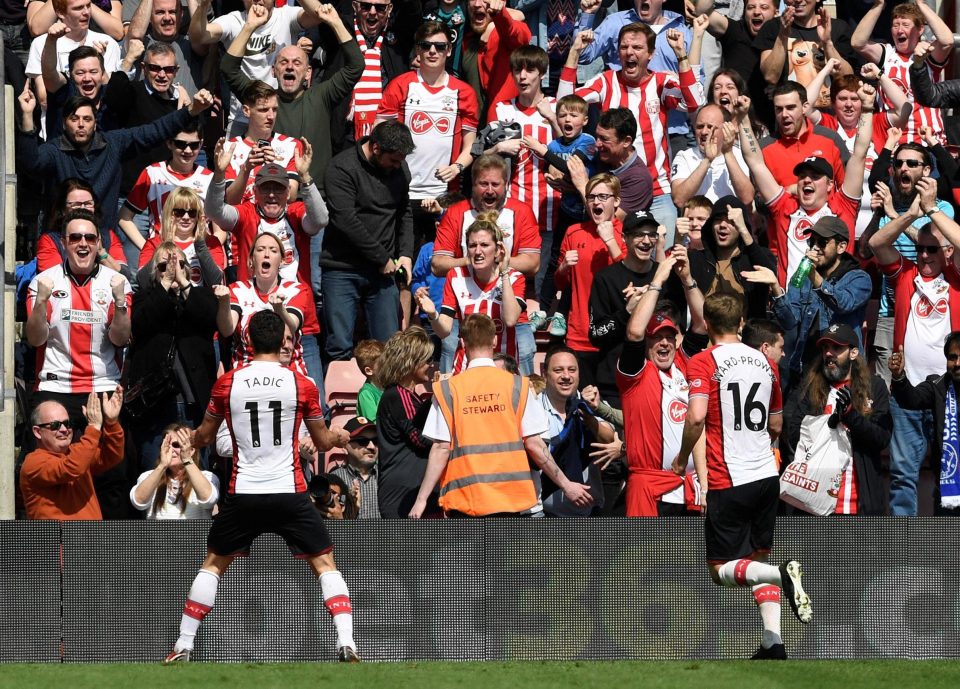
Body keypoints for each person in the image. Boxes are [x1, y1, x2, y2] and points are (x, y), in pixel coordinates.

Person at [163, 310, 355, 664]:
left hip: (244, 491)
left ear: (247, 341)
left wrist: (190, 438)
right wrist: (339, 435)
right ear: (284, 340)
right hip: (289, 490)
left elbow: (204, 437)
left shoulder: (228, 383)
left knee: (213, 565)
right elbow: (322, 441)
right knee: (325, 563)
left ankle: (183, 644)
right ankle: (347, 642)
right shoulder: (302, 383)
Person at [673, 293, 811, 660]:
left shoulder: (703, 361)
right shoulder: (766, 363)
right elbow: (777, 423)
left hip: (727, 476)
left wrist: (682, 458)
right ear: (740, 322)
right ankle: (773, 642)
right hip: (767, 474)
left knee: (720, 569)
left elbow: (697, 416)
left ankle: (783, 575)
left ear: (705, 323)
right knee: (757, 558)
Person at [409, 312, 593, 518]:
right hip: (511, 500)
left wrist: (421, 500)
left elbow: (441, 448)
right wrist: (566, 485)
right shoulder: (519, 386)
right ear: (495, 340)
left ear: (462, 342)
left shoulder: (447, 390)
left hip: (465, 499)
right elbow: (535, 445)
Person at [559, 23, 706, 241]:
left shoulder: (661, 81)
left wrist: (681, 57)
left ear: (651, 54)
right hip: (615, 192)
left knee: (661, 255)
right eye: (624, 47)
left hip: (658, 190)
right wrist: (574, 53)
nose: (629, 52)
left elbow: (694, 102)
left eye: (637, 47)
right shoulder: (606, 81)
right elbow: (565, 105)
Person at [867, 181, 960, 517]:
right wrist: (909, 214)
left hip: (950, 393)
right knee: (902, 474)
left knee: (948, 473)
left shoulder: (956, 277)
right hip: (906, 390)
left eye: (931, 250)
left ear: (947, 251)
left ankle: (947, 546)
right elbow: (877, 242)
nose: (923, 256)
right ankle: (904, 551)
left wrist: (933, 208)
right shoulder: (905, 275)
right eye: (919, 249)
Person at [16, 85, 214, 241]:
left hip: (105, 240)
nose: (81, 124)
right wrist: (26, 116)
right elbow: (31, 163)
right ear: (64, 123)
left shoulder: (113, 143)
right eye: (74, 119)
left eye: (87, 119)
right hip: (60, 239)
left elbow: (155, 131)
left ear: (95, 123)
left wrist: (191, 111)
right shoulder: (54, 150)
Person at [220, 1, 363, 188]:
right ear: (273, 70)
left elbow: (356, 66)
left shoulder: (322, 95)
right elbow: (228, 68)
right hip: (272, 196)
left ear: (308, 72)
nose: (289, 66)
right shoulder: (262, 100)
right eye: (283, 62)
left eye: (297, 63)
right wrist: (249, 26)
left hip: (316, 195)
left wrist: (335, 22)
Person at [736, 90, 869, 287]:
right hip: (793, 305)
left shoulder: (843, 206)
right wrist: (743, 119)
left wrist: (867, 108)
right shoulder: (785, 208)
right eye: (802, 176)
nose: (807, 181)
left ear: (831, 184)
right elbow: (755, 162)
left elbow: (859, 153)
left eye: (815, 177)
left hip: (836, 303)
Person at [619, 249, 706, 517]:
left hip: (688, 489)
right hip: (652, 490)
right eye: (657, 337)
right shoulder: (635, 373)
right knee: (649, 559)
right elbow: (634, 331)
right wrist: (658, 279)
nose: (664, 342)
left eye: (669, 336)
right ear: (647, 343)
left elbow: (702, 324)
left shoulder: (683, 364)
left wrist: (687, 278)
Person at [377, 20, 478, 244]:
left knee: (440, 263)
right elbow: (379, 131)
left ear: (449, 50)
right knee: (403, 263)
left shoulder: (465, 92)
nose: (433, 51)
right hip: (403, 191)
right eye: (426, 46)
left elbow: (471, 143)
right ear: (418, 50)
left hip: (445, 194)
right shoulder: (400, 85)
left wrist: (457, 167)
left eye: (440, 46)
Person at [322, 119, 415, 360]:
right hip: (343, 268)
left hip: (383, 273)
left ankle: (385, 397)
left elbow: (404, 212)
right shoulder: (341, 168)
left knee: (387, 348)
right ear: (375, 148)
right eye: (394, 160)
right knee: (339, 345)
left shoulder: (399, 170)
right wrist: (382, 257)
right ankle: (338, 397)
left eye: (401, 160)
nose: (398, 166)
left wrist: (405, 253)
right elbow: (346, 221)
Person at [126, 241, 219, 472]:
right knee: (153, 470)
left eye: (178, 265)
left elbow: (210, 317)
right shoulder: (143, 298)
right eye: (163, 266)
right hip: (154, 406)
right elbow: (141, 323)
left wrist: (184, 283)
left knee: (196, 472)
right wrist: (165, 284)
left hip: (193, 406)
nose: (171, 270)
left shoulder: (200, 297)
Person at [26, 210, 132, 408]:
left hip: (103, 384)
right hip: (54, 385)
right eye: (75, 238)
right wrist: (40, 302)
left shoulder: (118, 283)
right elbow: (35, 339)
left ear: (98, 243)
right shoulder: (43, 282)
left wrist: (120, 303)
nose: (83, 243)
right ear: (64, 244)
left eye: (90, 238)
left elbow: (120, 339)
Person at [784, 324, 892, 516]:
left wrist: (851, 415)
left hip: (858, 504)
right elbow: (793, 432)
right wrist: (824, 427)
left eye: (836, 348)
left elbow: (882, 438)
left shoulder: (875, 387)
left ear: (853, 353)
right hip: (813, 502)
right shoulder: (810, 386)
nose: (829, 354)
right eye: (825, 348)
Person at [588, 210, 685, 408]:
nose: (646, 240)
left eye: (651, 234)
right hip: (615, 386)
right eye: (639, 235)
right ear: (624, 238)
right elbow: (596, 334)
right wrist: (626, 312)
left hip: (660, 382)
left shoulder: (665, 276)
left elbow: (678, 327)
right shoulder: (606, 278)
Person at [763, 216, 872, 391]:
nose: (815, 248)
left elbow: (843, 304)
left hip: (843, 373)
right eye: (812, 242)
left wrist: (815, 278)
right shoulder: (805, 273)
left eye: (822, 242)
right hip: (807, 370)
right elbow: (790, 321)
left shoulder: (859, 278)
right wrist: (776, 288)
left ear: (841, 247)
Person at [187, 0, 325, 133]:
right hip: (242, 119)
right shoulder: (234, 20)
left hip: (278, 117)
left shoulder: (286, 16)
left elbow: (318, 14)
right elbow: (198, 37)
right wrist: (203, 6)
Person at [416, 211, 527, 374]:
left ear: (498, 250)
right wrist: (433, 315)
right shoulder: (456, 276)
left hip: (503, 368)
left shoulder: (514, 278)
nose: (477, 251)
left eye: (484, 245)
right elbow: (444, 331)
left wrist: (503, 273)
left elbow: (510, 320)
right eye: (472, 245)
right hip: (465, 369)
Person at [554, 173, 626, 388]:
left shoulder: (627, 233)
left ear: (617, 201)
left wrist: (611, 240)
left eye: (603, 196)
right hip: (580, 336)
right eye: (591, 197)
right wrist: (564, 267)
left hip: (616, 337)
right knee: (584, 407)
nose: (596, 202)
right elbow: (560, 283)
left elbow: (629, 279)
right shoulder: (573, 233)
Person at [215, 233, 319, 379]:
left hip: (288, 373)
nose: (267, 254)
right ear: (251, 260)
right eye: (261, 249)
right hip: (246, 374)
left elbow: (292, 326)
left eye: (273, 250)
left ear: (282, 260)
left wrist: (279, 309)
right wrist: (224, 302)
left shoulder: (297, 289)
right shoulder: (237, 289)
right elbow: (227, 330)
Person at [851, 0, 954, 145]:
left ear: (920, 30)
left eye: (906, 25)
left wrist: (921, 5)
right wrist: (878, 5)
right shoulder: (887, 54)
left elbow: (947, 41)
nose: (900, 30)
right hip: (893, 144)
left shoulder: (927, 53)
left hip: (929, 143)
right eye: (895, 25)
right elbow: (858, 43)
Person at [20, 388, 125, 520]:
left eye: (67, 423)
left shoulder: (77, 452)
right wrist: (93, 428)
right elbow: (72, 468)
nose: (64, 430)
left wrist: (111, 423)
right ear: (37, 432)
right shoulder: (33, 463)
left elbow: (112, 456)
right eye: (55, 425)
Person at [537, 345, 616, 517]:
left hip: (590, 513)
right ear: (545, 373)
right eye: (558, 370)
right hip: (545, 513)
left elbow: (610, 440)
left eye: (572, 370)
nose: (566, 376)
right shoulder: (533, 408)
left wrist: (590, 418)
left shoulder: (591, 403)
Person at [890, 331, 960, 514]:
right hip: (948, 493)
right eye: (953, 358)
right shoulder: (938, 386)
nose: (958, 363)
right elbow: (911, 399)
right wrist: (899, 377)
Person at [119, 120, 216, 246]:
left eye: (194, 145)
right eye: (180, 144)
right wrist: (148, 249)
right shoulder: (152, 173)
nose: (187, 150)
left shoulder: (209, 178)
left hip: (198, 257)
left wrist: (210, 253)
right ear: (169, 143)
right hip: (162, 254)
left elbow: (219, 229)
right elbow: (124, 217)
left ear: (201, 144)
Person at [374, 327, 437, 519]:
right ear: (411, 362)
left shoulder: (410, 397)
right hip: (402, 497)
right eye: (427, 360)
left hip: (412, 492)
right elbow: (420, 438)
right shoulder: (397, 395)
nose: (431, 365)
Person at [689, 195, 776, 320]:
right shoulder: (697, 259)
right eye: (718, 219)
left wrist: (744, 231)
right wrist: (678, 240)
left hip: (747, 337)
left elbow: (771, 275)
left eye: (731, 221)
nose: (723, 225)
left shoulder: (755, 257)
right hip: (707, 338)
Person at [758, 81, 847, 191]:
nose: (784, 115)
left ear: (805, 107)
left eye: (790, 108)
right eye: (779, 109)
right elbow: (758, 198)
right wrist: (788, 192)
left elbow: (849, 190)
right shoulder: (763, 148)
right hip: (782, 208)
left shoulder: (831, 139)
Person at [754, 0, 856, 90]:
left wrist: (827, 43)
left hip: (830, 110)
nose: (798, 0)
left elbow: (848, 80)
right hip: (789, 109)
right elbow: (771, 77)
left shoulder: (837, 27)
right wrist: (782, 35)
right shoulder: (773, 27)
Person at [134, 188, 225, 289]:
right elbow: (142, 281)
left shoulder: (211, 243)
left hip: (199, 302)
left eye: (192, 212)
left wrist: (200, 244)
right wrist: (167, 244)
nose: (186, 217)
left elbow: (215, 281)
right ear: (169, 213)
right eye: (179, 212)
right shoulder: (154, 243)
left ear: (199, 216)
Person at [459, 0, 532, 124]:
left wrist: (499, 15)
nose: (477, 4)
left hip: (501, 128)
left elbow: (518, 33)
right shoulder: (466, 40)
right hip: (470, 128)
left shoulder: (506, 34)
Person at [35, 178, 127, 275]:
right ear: (62, 209)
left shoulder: (108, 236)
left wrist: (101, 253)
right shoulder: (50, 241)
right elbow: (51, 278)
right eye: (76, 204)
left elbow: (124, 276)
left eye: (88, 204)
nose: (83, 208)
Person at [670, 103, 754, 207]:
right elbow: (679, 200)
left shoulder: (739, 154)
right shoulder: (684, 157)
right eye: (700, 127)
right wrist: (707, 160)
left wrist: (728, 152)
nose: (704, 132)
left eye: (710, 127)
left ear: (726, 129)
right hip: (697, 222)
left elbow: (747, 198)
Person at [130, 424, 220, 519]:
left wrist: (187, 459)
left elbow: (209, 500)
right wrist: (162, 465)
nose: (171, 450)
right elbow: (138, 502)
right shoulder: (148, 476)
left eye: (177, 445)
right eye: (166, 445)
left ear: (192, 450)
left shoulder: (207, 477)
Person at [331, 417, 380, 519]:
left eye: (376, 441)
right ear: (345, 445)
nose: (371, 446)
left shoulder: (389, 477)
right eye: (363, 441)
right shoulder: (333, 481)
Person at [354, 339, 385, 422]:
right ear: (369, 371)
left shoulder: (388, 387)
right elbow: (372, 422)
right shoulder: (366, 393)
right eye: (383, 364)